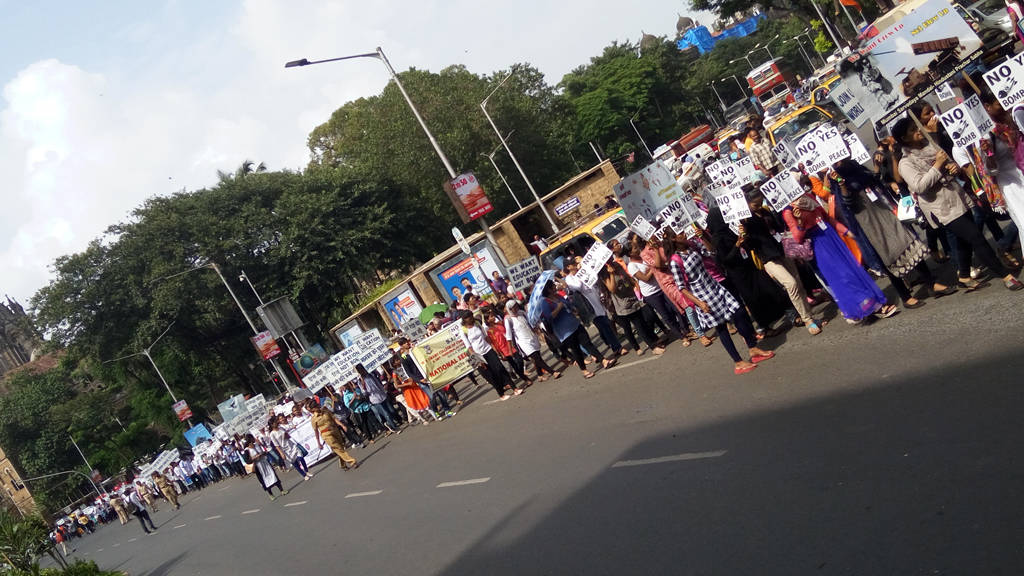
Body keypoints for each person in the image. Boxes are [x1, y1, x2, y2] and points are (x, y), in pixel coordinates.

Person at [893, 117, 1024, 291]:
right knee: (976, 236)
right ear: (905, 138)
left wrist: (952, 167)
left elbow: (949, 165)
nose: (918, 130)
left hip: (957, 198)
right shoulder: (906, 162)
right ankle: (1005, 276)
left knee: (965, 240)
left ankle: (963, 276)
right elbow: (919, 187)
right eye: (912, 130)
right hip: (940, 209)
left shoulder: (932, 146)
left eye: (915, 126)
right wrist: (938, 165)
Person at [831, 160, 959, 309]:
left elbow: (875, 180)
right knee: (887, 257)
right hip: (868, 223)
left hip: (883, 211)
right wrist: (841, 184)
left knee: (909, 242)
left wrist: (877, 167)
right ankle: (905, 297)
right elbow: (847, 204)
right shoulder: (836, 177)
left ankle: (931, 284)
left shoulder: (854, 165)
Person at [663, 229, 776, 374]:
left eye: (683, 231)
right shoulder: (674, 261)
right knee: (721, 327)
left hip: (714, 286)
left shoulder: (692, 246)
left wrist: (701, 236)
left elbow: (710, 252)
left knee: (739, 311)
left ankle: (752, 348)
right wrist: (699, 303)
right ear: (672, 239)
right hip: (702, 295)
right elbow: (682, 288)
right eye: (679, 233)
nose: (683, 233)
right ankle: (738, 362)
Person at [782, 193, 899, 321]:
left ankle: (861, 306)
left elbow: (826, 217)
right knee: (844, 276)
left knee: (852, 271)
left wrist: (846, 231)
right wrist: (799, 222)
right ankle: (874, 307)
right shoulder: (789, 211)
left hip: (831, 237)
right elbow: (798, 238)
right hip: (818, 244)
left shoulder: (808, 197)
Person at [743, 191, 823, 334]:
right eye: (755, 204)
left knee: (799, 284)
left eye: (761, 202)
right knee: (790, 283)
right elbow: (749, 245)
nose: (759, 206)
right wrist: (743, 234)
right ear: (748, 204)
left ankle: (810, 317)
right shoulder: (745, 221)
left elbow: (780, 228)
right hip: (767, 257)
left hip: (782, 250)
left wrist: (793, 248)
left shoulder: (766, 211)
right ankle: (807, 319)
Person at [706, 206, 791, 336]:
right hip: (739, 275)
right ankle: (765, 327)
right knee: (754, 300)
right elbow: (726, 261)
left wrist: (744, 235)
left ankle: (789, 313)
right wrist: (737, 246)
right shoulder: (717, 238)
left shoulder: (732, 230)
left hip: (750, 266)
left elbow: (749, 245)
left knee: (771, 289)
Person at [537, 281, 616, 379]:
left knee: (588, 343)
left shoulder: (558, 296)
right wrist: (558, 308)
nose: (555, 286)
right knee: (576, 350)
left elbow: (567, 304)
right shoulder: (545, 302)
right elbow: (548, 318)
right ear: (548, 289)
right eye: (553, 285)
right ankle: (584, 370)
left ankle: (604, 361)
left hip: (575, 324)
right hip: (565, 332)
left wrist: (573, 308)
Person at [599, 260, 666, 355]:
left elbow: (627, 278)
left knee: (644, 321)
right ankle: (652, 347)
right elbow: (612, 290)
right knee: (638, 325)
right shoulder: (604, 273)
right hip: (623, 304)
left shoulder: (616, 265)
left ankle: (655, 341)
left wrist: (635, 285)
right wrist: (611, 274)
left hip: (632, 297)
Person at [627, 237, 687, 341]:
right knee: (666, 315)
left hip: (661, 287)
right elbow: (645, 278)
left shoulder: (643, 257)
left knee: (677, 308)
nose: (638, 249)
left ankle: (686, 330)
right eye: (635, 248)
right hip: (651, 294)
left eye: (637, 246)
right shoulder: (631, 266)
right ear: (630, 253)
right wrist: (653, 267)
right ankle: (681, 336)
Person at [563, 259, 626, 357]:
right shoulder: (569, 278)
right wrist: (581, 275)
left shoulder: (581, 272)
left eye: (575, 262)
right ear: (568, 267)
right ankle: (617, 347)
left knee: (604, 326)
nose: (575, 265)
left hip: (597, 302)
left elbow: (595, 280)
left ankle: (611, 344)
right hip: (589, 307)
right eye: (572, 264)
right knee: (605, 325)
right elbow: (578, 286)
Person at [460, 311, 522, 399]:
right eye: (468, 318)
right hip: (479, 355)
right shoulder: (463, 330)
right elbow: (468, 346)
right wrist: (477, 359)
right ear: (464, 319)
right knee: (491, 374)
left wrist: (494, 348)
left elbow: (485, 337)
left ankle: (514, 388)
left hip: (488, 350)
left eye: (471, 317)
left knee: (500, 368)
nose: (470, 319)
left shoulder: (477, 323)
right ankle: (501, 394)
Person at [504, 300, 559, 380]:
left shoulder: (522, 313)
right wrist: (510, 350)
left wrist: (539, 335)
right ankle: (553, 372)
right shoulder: (508, 320)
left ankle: (540, 375)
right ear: (509, 309)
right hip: (523, 342)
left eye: (516, 306)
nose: (515, 308)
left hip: (532, 338)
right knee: (537, 358)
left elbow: (530, 325)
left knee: (537, 357)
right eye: (513, 308)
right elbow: (508, 336)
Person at [485, 311, 532, 385]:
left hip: (510, 345)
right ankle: (525, 379)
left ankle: (521, 373)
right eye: (491, 316)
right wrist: (500, 353)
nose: (493, 317)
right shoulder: (489, 331)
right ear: (487, 320)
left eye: (493, 315)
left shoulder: (499, 324)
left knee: (520, 361)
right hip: (503, 349)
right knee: (514, 365)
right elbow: (494, 343)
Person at [355, 364, 402, 435]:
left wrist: (385, 392)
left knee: (391, 411)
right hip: (374, 400)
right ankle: (395, 427)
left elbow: (379, 385)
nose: (362, 371)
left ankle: (388, 423)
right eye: (360, 370)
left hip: (381, 395)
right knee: (386, 414)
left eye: (362, 369)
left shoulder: (370, 376)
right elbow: (365, 394)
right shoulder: (360, 381)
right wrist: (364, 386)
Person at [310, 404, 359, 470]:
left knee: (341, 447)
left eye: (317, 405)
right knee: (337, 448)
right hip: (326, 434)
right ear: (312, 409)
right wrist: (319, 443)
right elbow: (316, 431)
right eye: (315, 406)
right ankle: (352, 461)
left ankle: (342, 465)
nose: (317, 407)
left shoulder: (325, 411)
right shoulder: (313, 419)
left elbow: (334, 418)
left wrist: (342, 425)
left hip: (334, 429)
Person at [243, 434, 288, 500]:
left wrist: (262, 451)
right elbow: (247, 460)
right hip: (258, 466)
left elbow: (264, 450)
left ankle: (282, 490)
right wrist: (255, 457)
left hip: (265, 462)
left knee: (273, 475)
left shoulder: (257, 445)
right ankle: (271, 494)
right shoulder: (247, 450)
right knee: (264, 480)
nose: (254, 439)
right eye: (252, 438)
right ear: (250, 439)